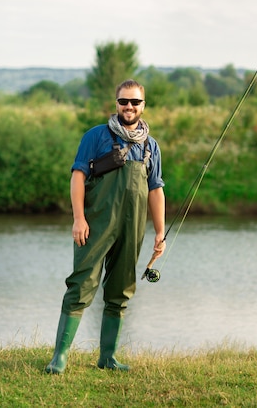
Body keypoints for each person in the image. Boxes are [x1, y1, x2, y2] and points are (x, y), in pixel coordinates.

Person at [45, 79, 166, 374]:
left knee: (121, 289)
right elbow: (77, 176)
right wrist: (78, 218)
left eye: (135, 102)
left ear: (143, 106)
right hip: (95, 225)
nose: (129, 107)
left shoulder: (150, 146)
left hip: (132, 227)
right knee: (81, 285)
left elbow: (155, 190)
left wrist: (160, 233)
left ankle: (107, 357)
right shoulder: (96, 136)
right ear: (116, 104)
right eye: (124, 101)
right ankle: (59, 357)